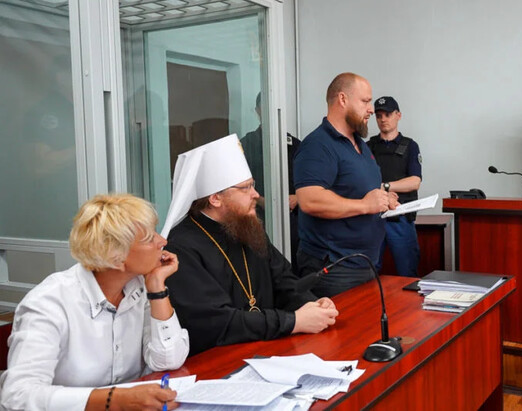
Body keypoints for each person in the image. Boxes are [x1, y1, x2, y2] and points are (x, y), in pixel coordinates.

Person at [0, 194, 189, 411]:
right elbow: (17, 396)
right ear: (115, 257)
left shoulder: (139, 286)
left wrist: (157, 288)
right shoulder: (48, 303)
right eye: (149, 239)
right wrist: (114, 399)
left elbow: (169, 360)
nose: (163, 241)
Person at [161, 135, 338, 356]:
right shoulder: (181, 247)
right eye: (245, 188)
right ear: (215, 198)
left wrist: (312, 304)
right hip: (217, 360)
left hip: (266, 348)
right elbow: (216, 322)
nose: (255, 194)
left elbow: (285, 282)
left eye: (252, 185)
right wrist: (293, 321)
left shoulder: (246, 226)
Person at [293, 72, 399, 297]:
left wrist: (382, 198)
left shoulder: (360, 145)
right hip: (334, 268)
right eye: (365, 101)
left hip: (364, 262)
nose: (371, 109)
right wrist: (365, 205)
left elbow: (359, 189)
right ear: (342, 99)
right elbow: (310, 200)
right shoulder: (318, 145)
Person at [240, 92, 303, 274]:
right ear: (257, 111)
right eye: (265, 108)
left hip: (295, 223)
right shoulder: (247, 143)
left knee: (295, 271)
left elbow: (313, 184)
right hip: (261, 220)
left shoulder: (296, 145)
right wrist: (264, 201)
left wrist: (297, 197)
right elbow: (239, 187)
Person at [367, 96, 422, 277]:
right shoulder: (367, 147)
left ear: (398, 115)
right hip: (373, 218)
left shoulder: (410, 146)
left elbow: (415, 181)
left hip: (400, 218)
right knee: (368, 273)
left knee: (408, 272)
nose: (383, 119)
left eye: (388, 114)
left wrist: (385, 186)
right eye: (379, 115)